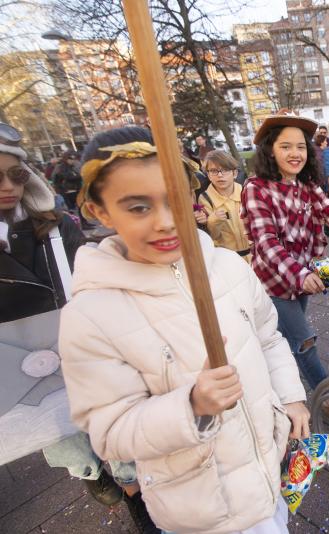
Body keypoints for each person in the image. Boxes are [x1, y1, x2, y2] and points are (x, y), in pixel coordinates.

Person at [59, 125, 309, 533]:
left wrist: (292, 398)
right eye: (138, 207)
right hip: (204, 512)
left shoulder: (228, 269)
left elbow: (268, 337)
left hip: (268, 477)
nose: (165, 222)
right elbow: (110, 432)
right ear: (101, 212)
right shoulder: (90, 316)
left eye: (175, 199)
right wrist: (191, 405)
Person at [0, 123, 156, 529]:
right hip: (23, 375)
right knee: (72, 445)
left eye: (15, 174)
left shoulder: (54, 225)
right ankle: (97, 474)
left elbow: (93, 276)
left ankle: (135, 494)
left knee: (122, 443)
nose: (8, 187)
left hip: (85, 350)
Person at [242, 109, 329, 426]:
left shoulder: (306, 186)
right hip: (274, 284)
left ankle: (276, 375)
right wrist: (300, 274)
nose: (295, 153)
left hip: (302, 280)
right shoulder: (256, 188)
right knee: (304, 340)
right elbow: (266, 242)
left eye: (301, 146)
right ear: (270, 150)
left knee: (285, 337)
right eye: (286, 146)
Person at [196, 149, 251, 261]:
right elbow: (212, 237)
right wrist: (213, 221)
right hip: (227, 260)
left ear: (234, 173)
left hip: (253, 255)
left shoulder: (246, 192)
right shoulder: (206, 199)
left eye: (225, 170)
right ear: (209, 175)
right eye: (214, 171)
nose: (220, 175)